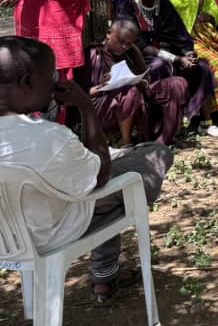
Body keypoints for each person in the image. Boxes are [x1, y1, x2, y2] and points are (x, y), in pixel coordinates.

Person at [0, 36, 174, 301]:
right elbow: (101, 176)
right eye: (52, 75)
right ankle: (105, 274)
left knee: (108, 168)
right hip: (51, 232)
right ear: (27, 83)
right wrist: (86, 108)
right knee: (152, 158)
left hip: (7, 238)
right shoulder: (48, 137)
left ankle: (106, 274)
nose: (57, 81)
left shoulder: (40, 137)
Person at [115, 0, 218, 136]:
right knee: (160, 67)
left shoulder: (164, 5)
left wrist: (188, 54)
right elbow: (138, 45)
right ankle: (160, 127)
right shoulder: (127, 7)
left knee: (202, 66)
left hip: (174, 55)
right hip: (142, 59)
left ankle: (205, 123)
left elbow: (181, 35)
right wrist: (177, 59)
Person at [86, 19, 189, 147]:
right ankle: (126, 142)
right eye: (121, 41)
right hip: (104, 107)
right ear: (108, 33)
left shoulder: (131, 51)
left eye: (128, 44)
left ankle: (164, 138)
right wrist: (102, 86)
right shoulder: (92, 54)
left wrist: (141, 83)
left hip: (137, 96)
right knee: (130, 92)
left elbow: (147, 78)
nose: (124, 47)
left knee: (178, 83)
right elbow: (82, 94)